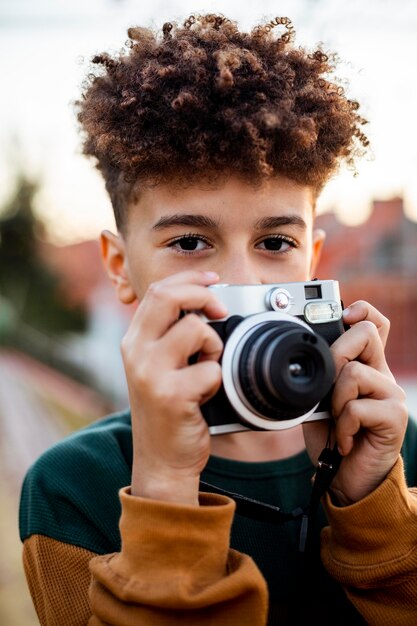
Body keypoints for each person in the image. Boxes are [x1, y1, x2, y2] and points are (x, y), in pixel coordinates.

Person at [19, 13, 417, 626]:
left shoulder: (394, 448)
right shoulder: (76, 486)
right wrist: (163, 487)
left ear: (314, 261)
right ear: (120, 267)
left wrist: (372, 510)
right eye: (188, 243)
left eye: (277, 243)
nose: (242, 282)